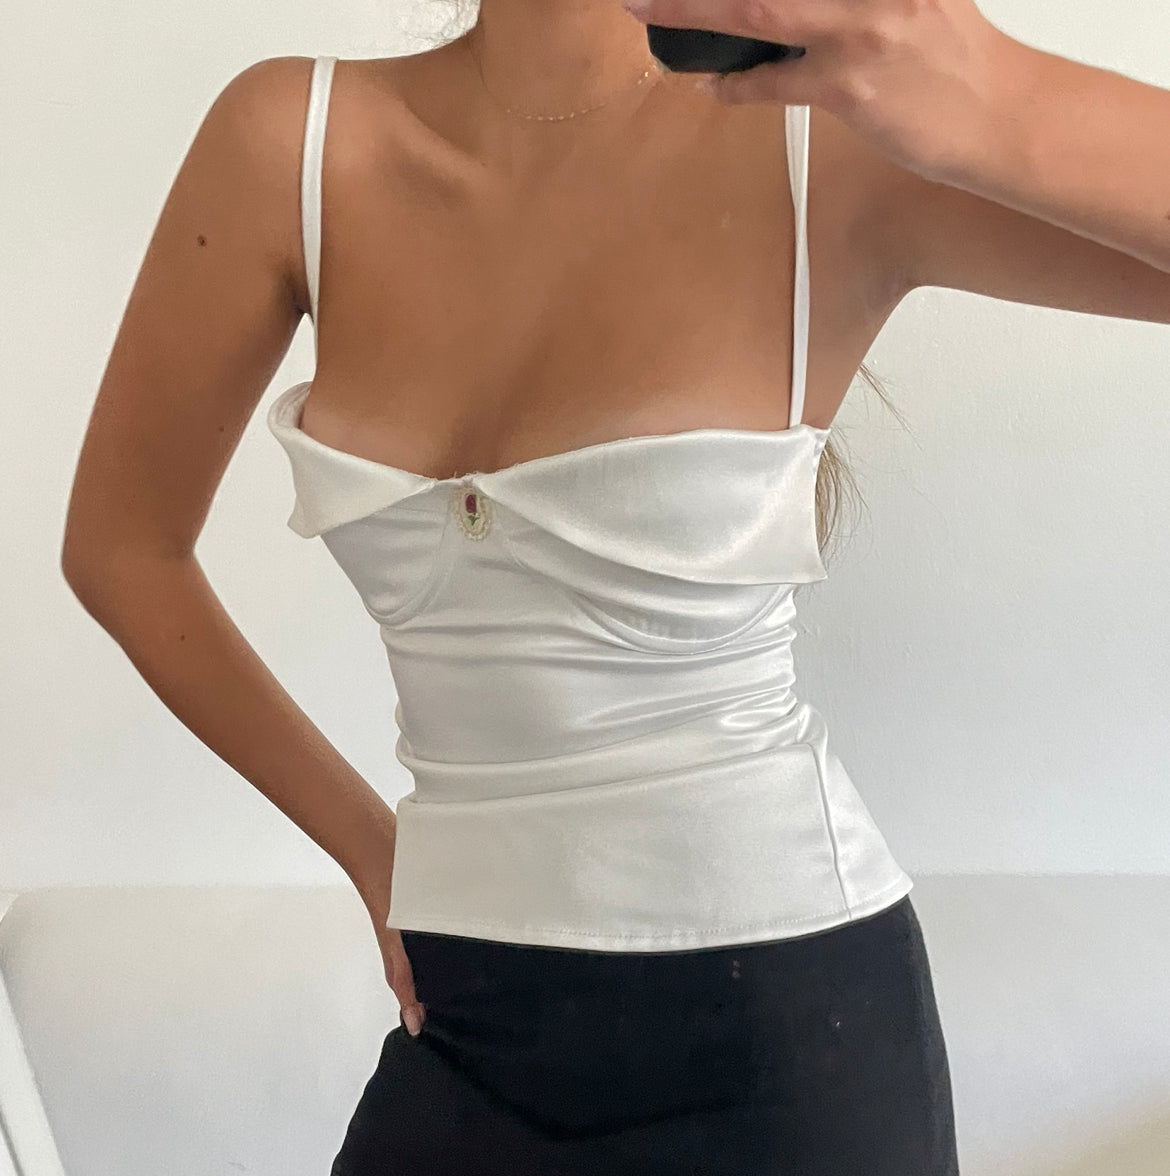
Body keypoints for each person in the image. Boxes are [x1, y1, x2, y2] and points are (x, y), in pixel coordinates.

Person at [62, 3, 959, 1172]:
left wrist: (939, 56)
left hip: (790, 1037)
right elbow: (122, 550)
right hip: (468, 1013)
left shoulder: (816, 131)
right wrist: (369, 847)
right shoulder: (293, 141)